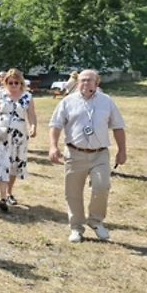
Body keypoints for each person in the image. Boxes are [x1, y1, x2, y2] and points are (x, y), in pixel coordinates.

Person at [48, 69, 126, 243]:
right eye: (82, 80)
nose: (85, 83)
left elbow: (118, 127)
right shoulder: (68, 102)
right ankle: (76, 227)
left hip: (99, 154)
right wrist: (53, 146)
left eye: (89, 80)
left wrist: (122, 151)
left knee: (102, 186)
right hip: (75, 153)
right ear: (77, 83)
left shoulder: (106, 101)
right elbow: (55, 125)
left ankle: (96, 221)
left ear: (97, 83)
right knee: (73, 192)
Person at [0, 68, 37, 212]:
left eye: (16, 83)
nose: (13, 85)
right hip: (2, 133)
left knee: (14, 164)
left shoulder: (27, 96)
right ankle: (2, 197)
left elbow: (31, 114)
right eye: (10, 82)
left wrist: (33, 126)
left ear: (21, 83)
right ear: (6, 82)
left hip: (19, 134)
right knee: (2, 162)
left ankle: (9, 192)